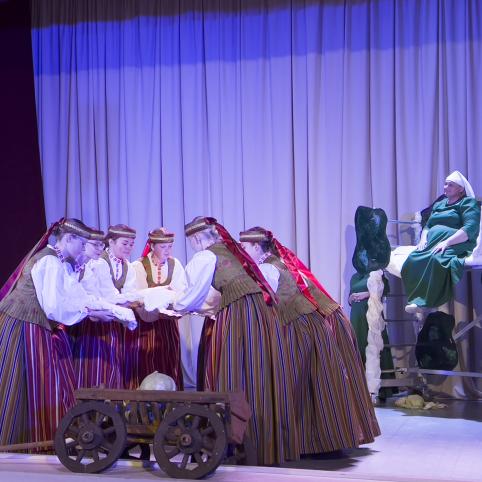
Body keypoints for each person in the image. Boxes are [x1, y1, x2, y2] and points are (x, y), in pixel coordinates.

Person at [173, 217, 299, 465]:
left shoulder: (206, 256)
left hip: (239, 312)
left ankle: (232, 442)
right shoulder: (231, 251)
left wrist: (172, 304)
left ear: (196, 239)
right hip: (259, 312)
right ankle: (264, 441)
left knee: (232, 371)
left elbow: (191, 297)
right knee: (257, 372)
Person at [240, 227, 369, 455]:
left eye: (245, 246)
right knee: (314, 381)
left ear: (257, 247)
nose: (241, 250)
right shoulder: (278, 262)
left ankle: (311, 441)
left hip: (300, 326)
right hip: (307, 323)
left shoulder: (267, 268)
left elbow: (264, 302)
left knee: (300, 382)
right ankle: (321, 440)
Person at [0, 218, 113, 447]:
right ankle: (26, 440)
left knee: (37, 382)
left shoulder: (58, 261)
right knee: (25, 382)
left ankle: (38, 439)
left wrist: (93, 309)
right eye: (82, 244)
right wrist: (87, 313)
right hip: (24, 324)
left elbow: (70, 296)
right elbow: (54, 308)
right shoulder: (50, 261)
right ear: (69, 238)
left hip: (33, 323)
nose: (84, 249)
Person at [402, 171, 481, 312]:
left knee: (437, 260)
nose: (446, 187)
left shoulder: (468, 203)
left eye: (451, 185)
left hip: (458, 243)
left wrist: (447, 243)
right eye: (445, 184)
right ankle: (416, 299)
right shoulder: (440, 204)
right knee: (412, 260)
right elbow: (428, 225)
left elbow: (469, 228)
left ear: (461, 189)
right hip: (432, 243)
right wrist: (423, 239)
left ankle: (425, 302)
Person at [71, 227, 137, 389]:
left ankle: (109, 396)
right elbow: (83, 297)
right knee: (88, 360)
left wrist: (132, 301)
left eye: (101, 245)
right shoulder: (76, 264)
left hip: (99, 313)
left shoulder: (99, 264)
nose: (100, 249)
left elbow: (107, 293)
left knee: (107, 361)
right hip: (84, 317)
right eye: (95, 245)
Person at [130, 227, 186, 390]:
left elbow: (180, 292)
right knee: (146, 357)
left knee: (169, 356)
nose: (167, 250)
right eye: (163, 247)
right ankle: (144, 400)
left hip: (167, 323)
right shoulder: (139, 266)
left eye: (170, 246)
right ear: (152, 246)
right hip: (145, 324)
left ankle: (171, 398)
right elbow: (139, 296)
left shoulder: (175, 264)